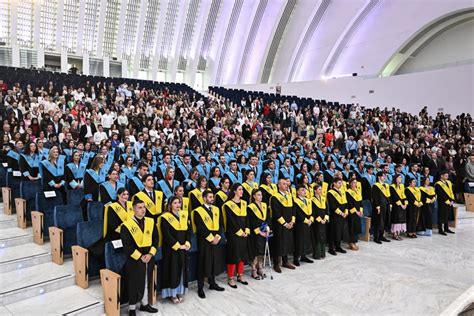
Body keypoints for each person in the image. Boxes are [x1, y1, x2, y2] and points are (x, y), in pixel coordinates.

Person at [120, 198, 158, 315]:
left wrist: (150, 254)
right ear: (133, 209)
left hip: (149, 257)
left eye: (144, 207)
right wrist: (140, 256)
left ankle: (144, 304)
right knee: (133, 282)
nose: (143, 210)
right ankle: (132, 308)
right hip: (134, 259)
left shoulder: (151, 222)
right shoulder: (126, 225)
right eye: (140, 207)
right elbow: (127, 245)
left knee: (147, 280)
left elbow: (156, 239)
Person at [191, 189, 225, 299]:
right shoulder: (197, 211)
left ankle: (212, 283)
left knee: (214, 261)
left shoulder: (216, 209)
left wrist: (218, 237)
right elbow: (200, 227)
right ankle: (200, 288)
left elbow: (220, 224)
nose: (212, 199)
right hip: (204, 241)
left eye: (212, 197)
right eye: (210, 197)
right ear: (204, 198)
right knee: (202, 263)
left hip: (216, 239)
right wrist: (211, 238)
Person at [158, 196, 191, 304]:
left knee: (181, 269)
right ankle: (172, 293)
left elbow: (188, 230)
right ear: (170, 204)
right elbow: (167, 235)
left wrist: (187, 242)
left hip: (183, 248)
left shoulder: (184, 215)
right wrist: (177, 245)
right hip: (171, 249)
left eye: (179, 203)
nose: (178, 205)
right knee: (172, 270)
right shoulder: (165, 217)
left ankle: (180, 291)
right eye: (175, 203)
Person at [223, 183, 250, 288]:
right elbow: (231, 221)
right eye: (239, 189)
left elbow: (247, 218)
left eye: (242, 189)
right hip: (233, 234)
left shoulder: (244, 203)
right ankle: (231, 278)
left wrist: (247, 230)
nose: (241, 191)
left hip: (244, 233)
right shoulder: (228, 204)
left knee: (242, 255)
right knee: (233, 255)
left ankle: (240, 275)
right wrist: (240, 232)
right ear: (234, 191)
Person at [270, 178, 295, 273]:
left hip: (289, 224)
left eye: (286, 184)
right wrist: (285, 223)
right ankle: (276, 264)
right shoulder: (275, 197)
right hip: (279, 225)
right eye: (284, 184)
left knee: (287, 242)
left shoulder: (289, 196)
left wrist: (292, 221)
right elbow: (276, 213)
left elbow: (294, 209)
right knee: (278, 243)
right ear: (279, 185)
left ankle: (285, 261)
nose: (286, 185)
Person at [247, 188, 270, 280]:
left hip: (264, 231)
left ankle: (260, 268)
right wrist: (259, 232)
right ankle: (253, 270)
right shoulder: (250, 207)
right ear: (254, 196)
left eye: (261, 195)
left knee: (261, 252)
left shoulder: (264, 205)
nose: (260, 197)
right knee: (255, 252)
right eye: (258, 195)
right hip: (255, 233)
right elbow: (251, 221)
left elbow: (268, 218)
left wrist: (267, 229)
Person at [293, 184, 314, 265]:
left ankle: (303, 256)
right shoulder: (295, 201)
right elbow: (297, 213)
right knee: (299, 241)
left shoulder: (308, 200)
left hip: (308, 223)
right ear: (297, 192)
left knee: (306, 240)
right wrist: (306, 220)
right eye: (302, 190)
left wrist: (311, 219)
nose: (304, 191)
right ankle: (296, 258)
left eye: (305, 190)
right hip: (300, 224)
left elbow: (313, 211)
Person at [327, 177, 348, 255]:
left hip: (343, 215)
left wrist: (346, 211)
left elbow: (346, 203)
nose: (340, 184)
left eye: (341, 183)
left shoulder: (342, 191)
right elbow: (333, 206)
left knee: (340, 231)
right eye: (339, 183)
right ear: (334, 183)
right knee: (333, 231)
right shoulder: (330, 192)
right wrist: (341, 213)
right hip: (335, 215)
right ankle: (331, 248)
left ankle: (338, 246)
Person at [371, 172, 391, 244]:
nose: (384, 177)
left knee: (384, 220)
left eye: (385, 176)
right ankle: (376, 237)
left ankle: (381, 236)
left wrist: (390, 204)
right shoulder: (376, 186)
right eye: (383, 176)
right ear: (379, 177)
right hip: (379, 206)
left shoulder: (386, 185)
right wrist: (377, 206)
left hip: (386, 205)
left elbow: (388, 196)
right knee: (378, 221)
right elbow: (375, 197)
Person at [435, 170, 456, 235]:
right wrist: (447, 201)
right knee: (441, 215)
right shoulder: (438, 184)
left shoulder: (449, 182)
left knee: (447, 215)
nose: (447, 177)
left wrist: (452, 200)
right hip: (442, 202)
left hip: (450, 201)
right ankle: (440, 229)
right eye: (445, 175)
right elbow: (440, 194)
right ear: (441, 176)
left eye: (447, 176)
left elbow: (451, 191)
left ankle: (446, 228)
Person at [311, 184, 328, 260]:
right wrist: (320, 220)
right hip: (317, 222)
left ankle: (322, 253)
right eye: (319, 189)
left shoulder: (324, 199)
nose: (321, 191)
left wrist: (325, 219)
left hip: (324, 221)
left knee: (323, 236)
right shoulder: (312, 200)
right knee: (317, 237)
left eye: (321, 189)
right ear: (315, 190)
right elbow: (313, 212)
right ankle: (317, 254)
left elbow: (327, 210)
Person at [345, 178, 363, 250]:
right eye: (353, 183)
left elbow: (360, 202)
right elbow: (350, 204)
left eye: (356, 183)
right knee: (352, 227)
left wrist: (361, 210)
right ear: (350, 184)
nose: (355, 184)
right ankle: (351, 242)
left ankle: (354, 241)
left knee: (356, 228)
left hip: (358, 212)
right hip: (352, 213)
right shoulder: (348, 192)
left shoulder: (358, 191)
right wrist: (356, 212)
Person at [389, 174, 408, 240]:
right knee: (396, 219)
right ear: (396, 178)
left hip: (402, 205)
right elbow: (395, 197)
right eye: (399, 177)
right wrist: (401, 205)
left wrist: (405, 203)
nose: (401, 178)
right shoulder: (392, 186)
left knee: (401, 219)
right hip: (396, 205)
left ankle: (398, 233)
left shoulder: (402, 186)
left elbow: (403, 195)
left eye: (401, 177)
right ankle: (394, 234)